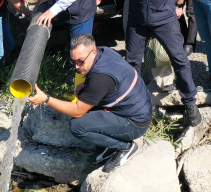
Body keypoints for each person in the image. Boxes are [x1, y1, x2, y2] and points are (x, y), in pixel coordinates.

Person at [27, 34, 153, 172]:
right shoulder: (105, 52)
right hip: (141, 106)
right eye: (74, 61)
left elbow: (78, 110)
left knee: (77, 126)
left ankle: (125, 147)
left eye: (80, 61)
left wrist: (46, 99)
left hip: (135, 124)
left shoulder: (100, 79)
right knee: (84, 99)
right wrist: (87, 85)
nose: (76, 66)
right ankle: (109, 145)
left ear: (93, 51)